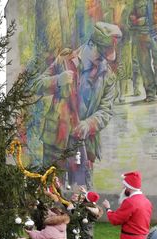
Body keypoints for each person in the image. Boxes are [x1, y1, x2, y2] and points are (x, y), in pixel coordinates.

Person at [27, 22, 120, 188]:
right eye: (101, 55)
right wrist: (58, 80)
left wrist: (89, 124)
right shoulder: (64, 60)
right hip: (56, 140)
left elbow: (106, 110)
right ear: (91, 45)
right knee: (52, 189)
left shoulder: (108, 76)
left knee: (81, 193)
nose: (103, 60)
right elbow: (36, 86)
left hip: (83, 143)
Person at [129, 0, 157, 102]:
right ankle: (150, 92)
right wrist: (135, 20)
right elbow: (132, 13)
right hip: (141, 34)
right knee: (144, 65)